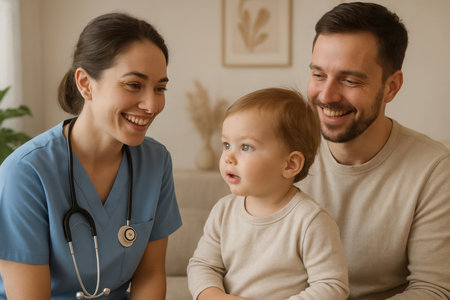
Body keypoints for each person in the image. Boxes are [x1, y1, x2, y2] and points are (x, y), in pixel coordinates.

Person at [0, 12, 182, 299]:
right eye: (134, 84)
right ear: (85, 83)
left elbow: (150, 275)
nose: (152, 104)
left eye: (160, 88)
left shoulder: (155, 162)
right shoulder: (26, 172)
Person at [297, 2, 450, 299]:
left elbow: (432, 288)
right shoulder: (286, 149)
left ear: (391, 87)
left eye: (350, 79)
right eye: (318, 75)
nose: (326, 95)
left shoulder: (434, 169)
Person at [187, 88, 349, 300]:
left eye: (245, 147)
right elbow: (203, 265)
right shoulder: (223, 211)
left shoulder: (310, 220)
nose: (228, 157)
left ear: (290, 164)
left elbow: (332, 286)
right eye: (226, 145)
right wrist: (214, 295)